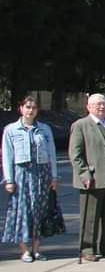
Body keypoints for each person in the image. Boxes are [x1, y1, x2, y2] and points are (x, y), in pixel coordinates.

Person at [2, 96, 60, 262]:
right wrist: (9, 180)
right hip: (21, 175)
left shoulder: (44, 129)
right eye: (27, 107)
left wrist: (54, 176)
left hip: (42, 174)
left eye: (34, 107)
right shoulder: (11, 130)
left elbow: (51, 154)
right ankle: (24, 250)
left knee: (39, 212)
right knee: (22, 212)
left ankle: (36, 249)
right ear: (21, 108)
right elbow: (7, 156)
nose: (30, 110)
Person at [69, 93, 105, 261]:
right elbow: (75, 154)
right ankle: (87, 248)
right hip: (92, 179)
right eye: (97, 104)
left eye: (104, 104)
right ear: (89, 107)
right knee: (91, 216)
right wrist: (84, 174)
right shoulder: (81, 125)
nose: (101, 107)